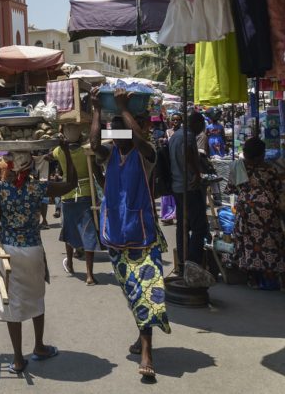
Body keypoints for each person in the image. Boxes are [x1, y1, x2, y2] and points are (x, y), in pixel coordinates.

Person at [88, 88, 171, 380]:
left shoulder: (146, 154)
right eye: (116, 130)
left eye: (122, 129)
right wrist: (98, 110)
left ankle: (147, 351)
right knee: (132, 293)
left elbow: (140, 139)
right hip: (115, 235)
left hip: (143, 234)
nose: (118, 134)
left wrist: (122, 108)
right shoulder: (109, 154)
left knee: (147, 292)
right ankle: (142, 335)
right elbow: (94, 142)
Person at [0, 145, 77, 375]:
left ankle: (17, 359)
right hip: (33, 250)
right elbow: (70, 184)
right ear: (31, 166)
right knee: (36, 298)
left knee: (11, 302)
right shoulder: (38, 187)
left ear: (11, 165)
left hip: (9, 252)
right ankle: (39, 346)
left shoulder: (0, 190)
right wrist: (65, 152)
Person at [225, 138, 285, 290]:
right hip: (268, 210)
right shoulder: (269, 169)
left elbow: (231, 189)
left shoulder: (237, 167)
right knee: (272, 241)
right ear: (261, 154)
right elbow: (278, 188)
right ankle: (278, 278)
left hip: (246, 209)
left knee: (248, 243)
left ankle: (252, 279)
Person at [53, 124, 98, 285]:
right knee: (88, 233)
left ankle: (70, 263)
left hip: (68, 194)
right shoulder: (86, 150)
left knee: (69, 231)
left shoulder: (59, 152)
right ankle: (89, 274)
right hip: (86, 194)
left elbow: (48, 155)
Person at [168, 111, 208, 273]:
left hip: (178, 186)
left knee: (183, 225)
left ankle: (183, 261)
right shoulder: (188, 136)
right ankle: (193, 262)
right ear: (197, 124)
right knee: (199, 227)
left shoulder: (176, 135)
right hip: (188, 187)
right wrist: (197, 174)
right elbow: (188, 155)